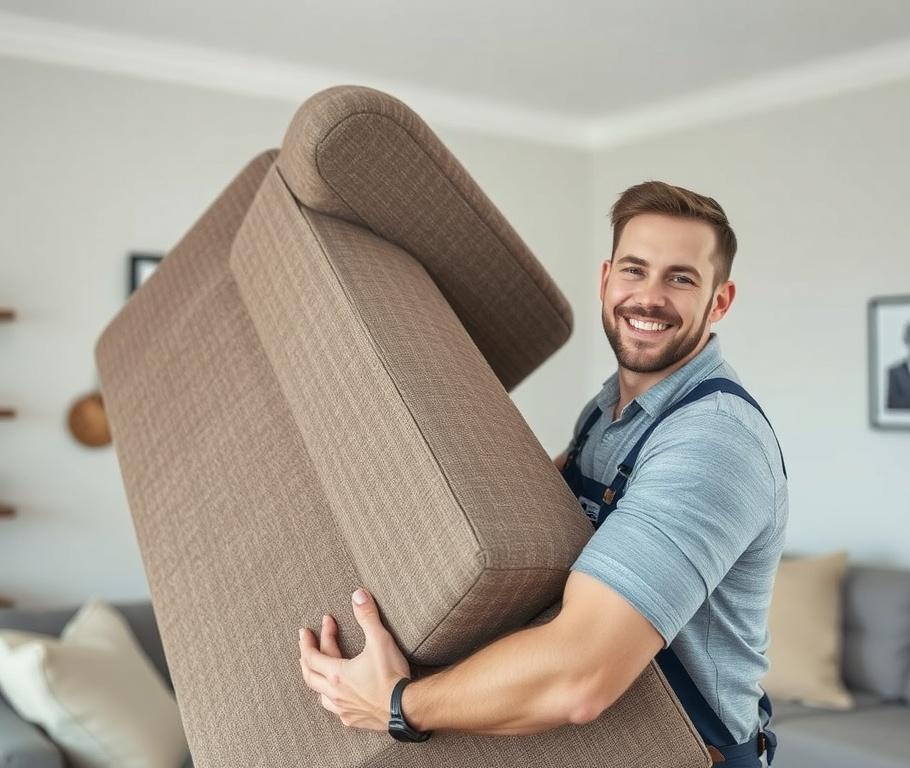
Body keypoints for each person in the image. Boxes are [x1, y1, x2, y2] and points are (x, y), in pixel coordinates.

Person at [298, 181, 789, 767]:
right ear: (606, 280)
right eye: (635, 270)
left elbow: (581, 675)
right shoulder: (607, 413)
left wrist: (398, 704)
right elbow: (533, 515)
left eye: (681, 278)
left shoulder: (713, 440)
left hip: (687, 750)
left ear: (720, 300)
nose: (649, 297)